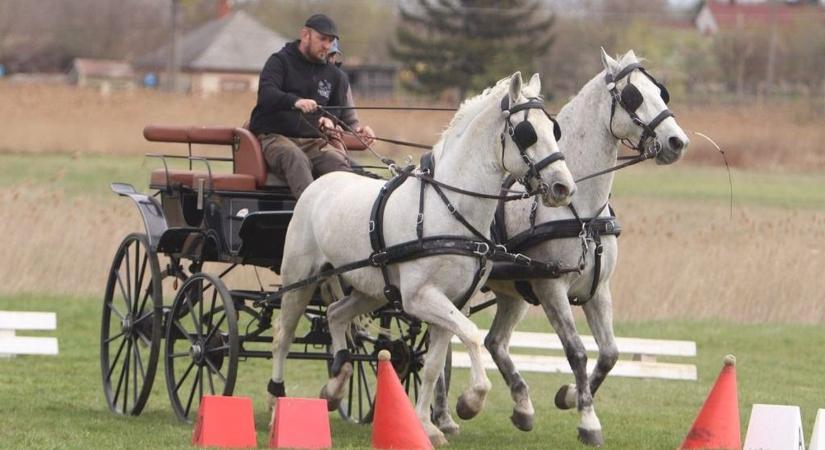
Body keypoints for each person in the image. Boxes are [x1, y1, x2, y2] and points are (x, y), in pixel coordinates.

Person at [249, 14, 374, 198]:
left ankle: (349, 213)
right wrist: (295, 102)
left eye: (330, 41)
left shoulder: (335, 76)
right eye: (322, 39)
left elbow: (336, 110)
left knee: (336, 161)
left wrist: (330, 120)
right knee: (296, 158)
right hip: (275, 137)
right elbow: (267, 94)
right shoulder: (279, 61)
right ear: (305, 35)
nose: (326, 45)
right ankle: (310, 215)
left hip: (312, 141)